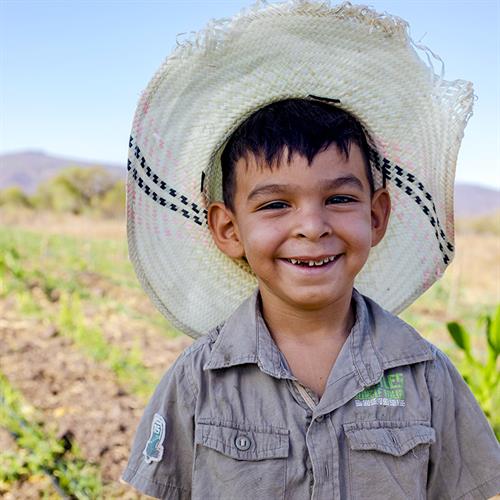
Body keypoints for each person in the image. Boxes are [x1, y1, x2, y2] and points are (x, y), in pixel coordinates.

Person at [121, 2, 500, 498]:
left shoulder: (425, 376)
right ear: (228, 229)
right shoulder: (198, 380)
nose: (312, 226)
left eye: (340, 199)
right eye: (276, 204)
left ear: (377, 215)